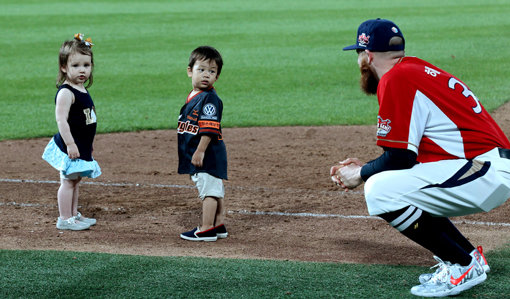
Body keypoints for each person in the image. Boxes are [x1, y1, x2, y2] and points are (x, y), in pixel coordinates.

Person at [332, 18, 510, 297]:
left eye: (358, 54)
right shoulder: (414, 69)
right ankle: (470, 257)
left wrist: (360, 173)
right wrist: (367, 167)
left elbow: (400, 157)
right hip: (484, 165)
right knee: (396, 183)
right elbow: (405, 158)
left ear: (367, 56)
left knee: (380, 190)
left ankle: (461, 265)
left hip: (483, 169)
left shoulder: (395, 79)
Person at [42, 33, 101, 231]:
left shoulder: (81, 88)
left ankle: (74, 214)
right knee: (68, 181)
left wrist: (86, 143)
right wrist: (70, 144)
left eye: (86, 65)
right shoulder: (66, 92)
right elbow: (61, 120)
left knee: (76, 180)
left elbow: (85, 119)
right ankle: (64, 219)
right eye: (75, 66)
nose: (82, 70)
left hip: (80, 145)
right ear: (63, 67)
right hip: (70, 145)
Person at [178, 46, 228, 242]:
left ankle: (207, 229)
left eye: (212, 71)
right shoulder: (196, 95)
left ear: (217, 76)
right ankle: (218, 225)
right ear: (190, 70)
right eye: (202, 69)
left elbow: (208, 129)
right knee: (215, 190)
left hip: (207, 154)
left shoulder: (209, 99)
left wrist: (199, 151)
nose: (206, 75)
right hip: (209, 154)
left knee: (209, 192)